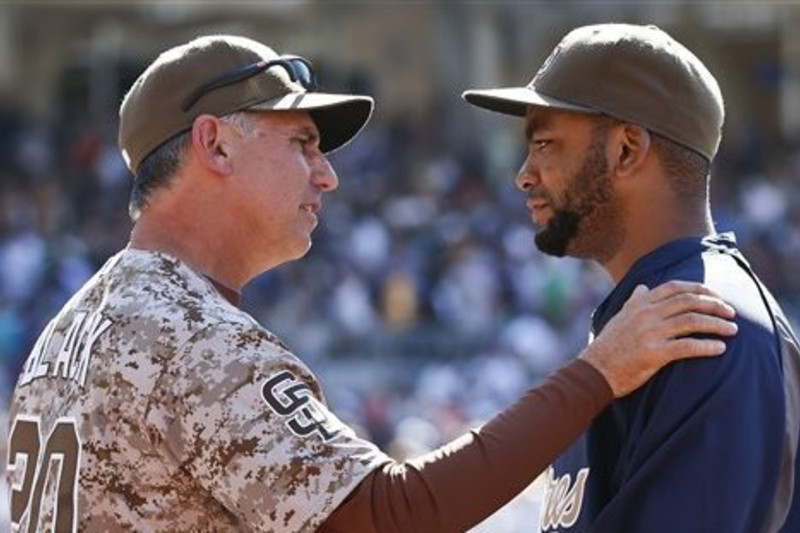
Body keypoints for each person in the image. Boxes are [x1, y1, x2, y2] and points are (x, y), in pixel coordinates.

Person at [5, 35, 737, 533]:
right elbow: (392, 514)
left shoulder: (75, 321)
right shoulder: (187, 334)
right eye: (301, 144)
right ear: (214, 143)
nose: (326, 174)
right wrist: (597, 373)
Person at [464, 22, 800, 533]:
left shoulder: (708, 331)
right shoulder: (648, 320)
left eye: (546, 143)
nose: (524, 173)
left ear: (626, 150)